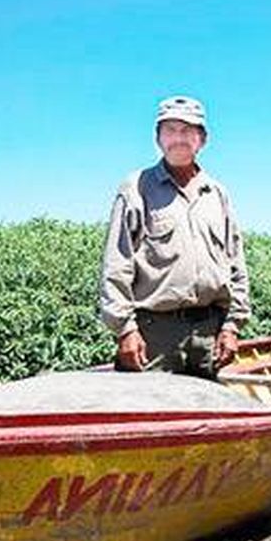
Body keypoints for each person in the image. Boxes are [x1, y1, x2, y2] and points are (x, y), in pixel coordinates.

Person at [98, 95, 250, 378]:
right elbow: (116, 265)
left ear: (202, 139)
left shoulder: (216, 193)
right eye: (170, 130)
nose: (178, 138)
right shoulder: (136, 187)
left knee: (210, 416)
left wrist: (232, 325)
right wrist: (125, 329)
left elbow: (235, 263)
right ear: (158, 138)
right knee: (149, 414)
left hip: (209, 332)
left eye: (187, 130)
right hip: (155, 333)